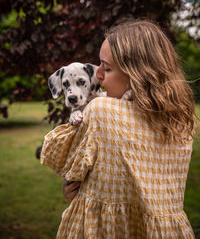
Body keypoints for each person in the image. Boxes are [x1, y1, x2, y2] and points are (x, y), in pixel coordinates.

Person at [41, 19, 195, 238]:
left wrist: (76, 193)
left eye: (108, 68)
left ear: (139, 75)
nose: (98, 75)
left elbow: (60, 159)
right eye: (100, 65)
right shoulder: (180, 123)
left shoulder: (101, 111)